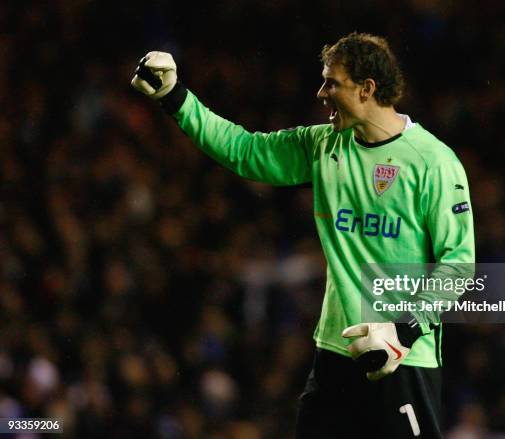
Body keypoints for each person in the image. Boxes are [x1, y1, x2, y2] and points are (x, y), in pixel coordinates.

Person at [132, 32, 474, 438]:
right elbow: (244, 150)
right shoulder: (323, 145)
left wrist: (401, 332)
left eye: (332, 83)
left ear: (367, 89)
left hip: (403, 359)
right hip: (335, 351)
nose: (321, 92)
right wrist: (176, 97)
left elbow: (458, 265)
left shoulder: (433, 163)